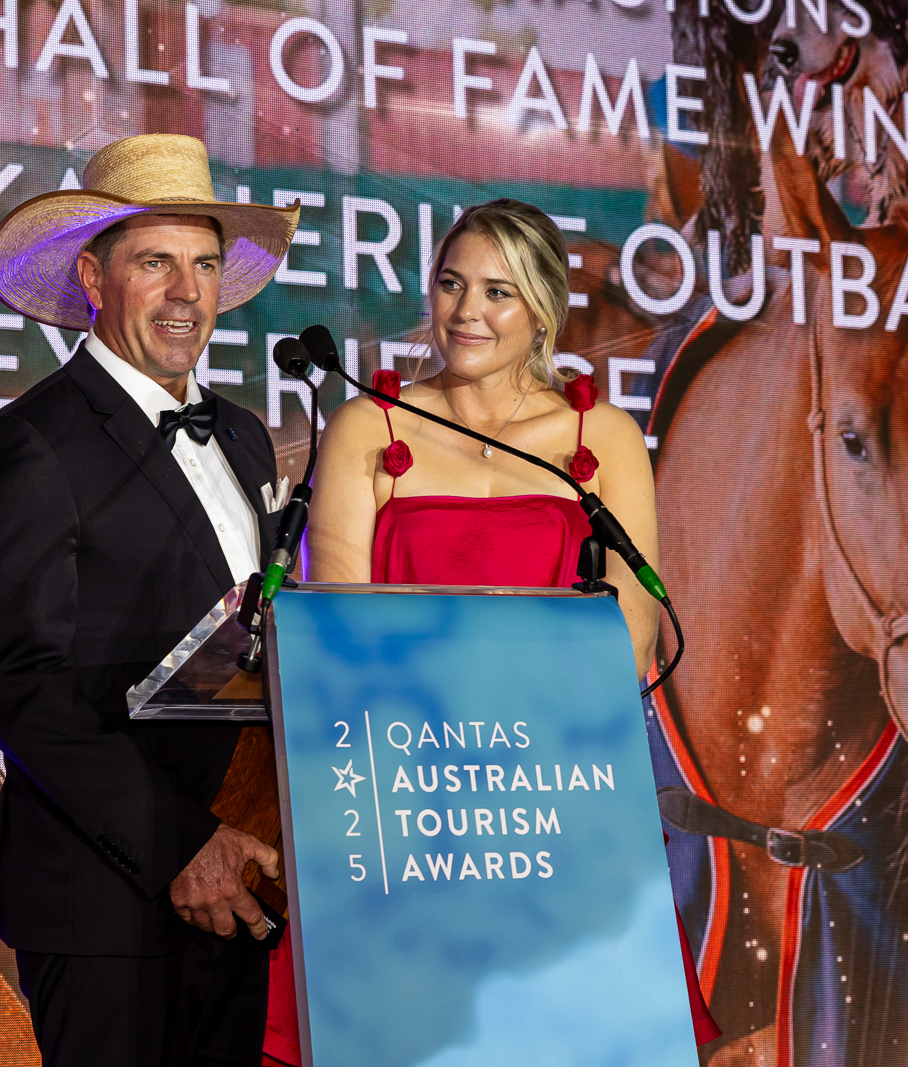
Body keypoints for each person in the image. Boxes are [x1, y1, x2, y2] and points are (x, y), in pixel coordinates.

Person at [304, 197, 720, 1044]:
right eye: (452, 284)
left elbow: (633, 633)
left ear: (542, 308)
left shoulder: (601, 433)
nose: (467, 311)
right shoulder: (365, 425)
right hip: (408, 807)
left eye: (498, 291)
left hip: (555, 799)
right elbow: (337, 635)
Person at [0, 133, 300, 1066]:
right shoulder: (27, 445)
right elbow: (19, 684)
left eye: (204, 265)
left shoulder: (244, 437)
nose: (186, 292)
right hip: (105, 896)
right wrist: (184, 841)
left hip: (243, 882)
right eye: (155, 263)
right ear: (93, 278)